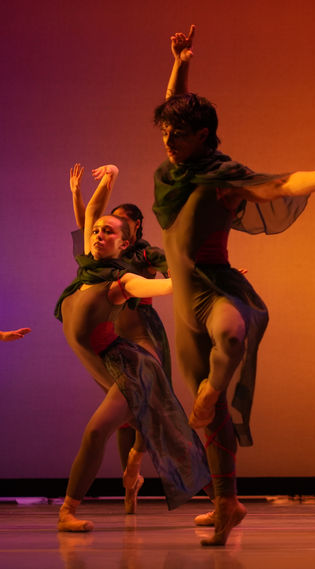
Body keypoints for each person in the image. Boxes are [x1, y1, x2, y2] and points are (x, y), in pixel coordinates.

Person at [155, 25, 315, 545]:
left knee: (231, 337)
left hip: (214, 287)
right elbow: (174, 108)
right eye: (164, 133)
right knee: (211, 421)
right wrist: (181, 63)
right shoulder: (175, 172)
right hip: (183, 298)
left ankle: (214, 388)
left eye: (178, 134)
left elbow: (279, 184)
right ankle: (226, 503)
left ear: (203, 136)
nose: (167, 140)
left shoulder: (225, 175)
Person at [55, 164, 209, 532]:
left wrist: (203, 277)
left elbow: (166, 285)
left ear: (125, 242)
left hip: (132, 366)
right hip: (108, 360)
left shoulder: (122, 281)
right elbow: (91, 213)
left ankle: (68, 511)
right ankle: (222, 501)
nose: (97, 234)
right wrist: (110, 178)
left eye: (108, 231)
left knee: (101, 431)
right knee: (156, 427)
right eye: (96, 231)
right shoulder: (87, 267)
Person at [70, 163, 171, 514]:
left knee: (148, 404)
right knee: (123, 415)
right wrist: (77, 194)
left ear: (134, 228)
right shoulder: (100, 257)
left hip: (142, 332)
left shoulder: (144, 255)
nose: (103, 231)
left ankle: (135, 463)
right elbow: (88, 221)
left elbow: (171, 271)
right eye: (104, 226)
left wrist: (203, 277)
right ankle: (130, 483)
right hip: (114, 335)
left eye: (118, 224)